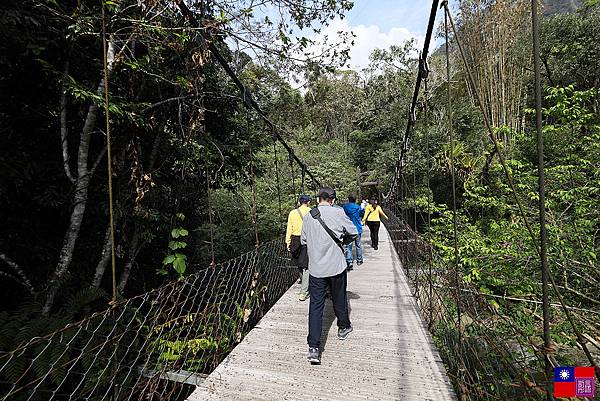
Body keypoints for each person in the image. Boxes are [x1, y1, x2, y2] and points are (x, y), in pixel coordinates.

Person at [301, 187, 358, 364]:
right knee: (339, 298)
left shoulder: (309, 216)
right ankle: (343, 327)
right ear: (332, 199)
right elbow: (354, 232)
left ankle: (314, 348)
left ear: (319, 199)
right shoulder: (338, 213)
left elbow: (303, 240)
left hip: (316, 269)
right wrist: (342, 242)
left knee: (316, 306)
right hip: (336, 266)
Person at [285, 195, 311, 301]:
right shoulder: (312, 212)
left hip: (295, 240)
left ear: (299, 202)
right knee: (306, 265)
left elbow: (289, 228)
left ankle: (303, 285)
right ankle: (304, 292)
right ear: (308, 202)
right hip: (307, 239)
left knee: (300, 264)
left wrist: (287, 242)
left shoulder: (293, 213)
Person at [342, 195, 364, 271]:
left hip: (348, 230)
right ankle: (359, 260)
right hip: (357, 229)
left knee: (348, 247)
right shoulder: (358, 207)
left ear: (349, 199)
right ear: (355, 200)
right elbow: (362, 215)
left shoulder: (344, 207)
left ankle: (349, 262)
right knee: (358, 245)